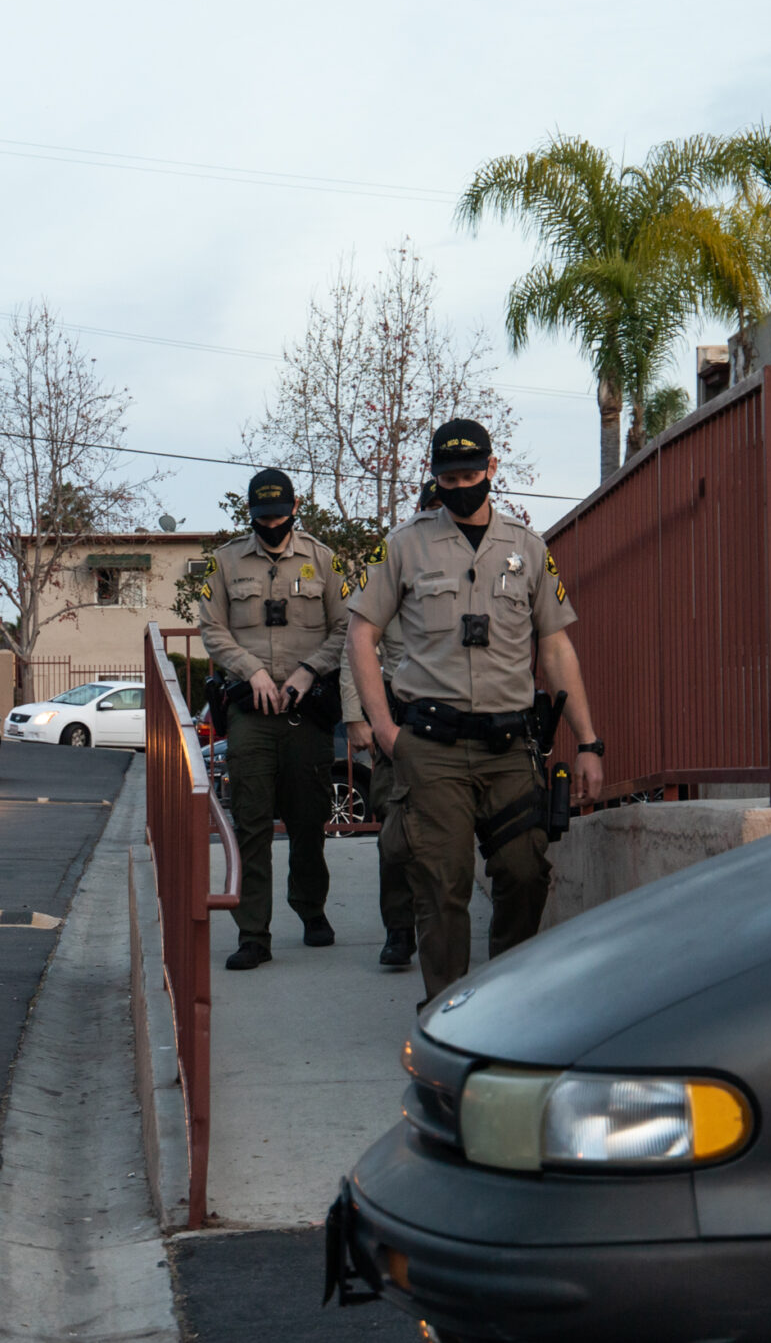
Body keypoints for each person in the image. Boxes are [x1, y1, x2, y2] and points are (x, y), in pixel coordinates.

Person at [346, 420, 605, 1004]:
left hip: (510, 747)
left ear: (491, 469)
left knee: (523, 871)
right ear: (434, 477)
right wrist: (386, 729)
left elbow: (557, 646)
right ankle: (448, 1008)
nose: (459, 486)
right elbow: (361, 635)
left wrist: (587, 741)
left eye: (469, 475)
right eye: (448, 478)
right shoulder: (404, 545)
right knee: (442, 883)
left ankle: (502, 1002)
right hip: (432, 747)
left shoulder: (528, 548)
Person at [197, 468, 350, 971]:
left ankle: (311, 910)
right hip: (251, 712)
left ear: (295, 507)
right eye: (262, 517)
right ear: (251, 515)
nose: (271, 525)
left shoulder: (324, 560)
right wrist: (252, 670)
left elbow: (347, 626)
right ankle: (253, 934)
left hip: (306, 711)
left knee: (309, 821)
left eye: (279, 515)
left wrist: (309, 671)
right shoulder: (223, 563)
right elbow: (211, 628)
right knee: (253, 823)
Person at [340, 478, 440, 970]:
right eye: (433, 509)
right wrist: (357, 717)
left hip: (456, 720)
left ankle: (438, 931)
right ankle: (399, 932)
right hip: (397, 722)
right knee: (396, 835)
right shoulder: (390, 561)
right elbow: (355, 649)